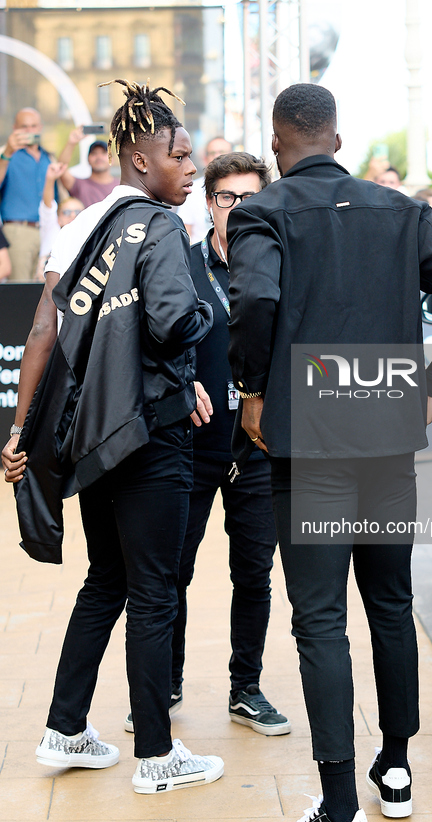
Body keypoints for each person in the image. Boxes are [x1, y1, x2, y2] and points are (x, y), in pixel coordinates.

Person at [226, 83, 432, 822]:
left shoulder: (262, 212)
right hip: (384, 433)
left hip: (308, 442)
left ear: (278, 141)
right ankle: (395, 768)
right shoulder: (398, 210)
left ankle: (341, 812)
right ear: (337, 135)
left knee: (319, 620)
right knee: (390, 603)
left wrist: (253, 389)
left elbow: (256, 299)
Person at [1, 79, 222, 795]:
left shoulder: (82, 227)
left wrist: (19, 430)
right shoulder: (160, 225)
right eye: (178, 156)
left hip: (91, 438)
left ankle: (65, 728)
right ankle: (157, 755)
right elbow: (166, 321)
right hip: (150, 435)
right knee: (154, 590)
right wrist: (201, 329)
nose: (190, 170)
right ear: (138, 160)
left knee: (107, 580)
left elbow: (44, 330)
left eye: (192, 158)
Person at [122, 151, 290, 738]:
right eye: (226, 198)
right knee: (172, 573)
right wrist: (180, 378)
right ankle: (165, 683)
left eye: (251, 199)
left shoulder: (279, 270)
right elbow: (145, 340)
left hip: (258, 451)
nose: (238, 210)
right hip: (188, 446)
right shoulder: (179, 265)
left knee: (255, 574)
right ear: (208, 203)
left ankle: (246, 687)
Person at [0, 108, 56, 280]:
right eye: (24, 126)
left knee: (43, 293)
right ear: (14, 127)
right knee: (21, 291)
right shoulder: (6, 153)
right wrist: (7, 153)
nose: (29, 131)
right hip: (18, 232)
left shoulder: (48, 157)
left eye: (33, 126)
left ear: (40, 127)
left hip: (46, 231)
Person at [177, 136, 232, 243]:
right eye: (212, 153)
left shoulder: (241, 188)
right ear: (205, 159)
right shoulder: (191, 190)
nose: (217, 156)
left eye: (222, 152)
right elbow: (185, 231)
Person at [35, 161, 84, 280]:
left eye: (78, 212)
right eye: (66, 212)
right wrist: (50, 179)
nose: (72, 215)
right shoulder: (52, 229)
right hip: (45, 288)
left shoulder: (88, 238)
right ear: (58, 218)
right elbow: (48, 206)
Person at [58, 129, 120, 207]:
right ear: (87, 159)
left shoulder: (121, 187)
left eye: (103, 153)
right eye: (94, 153)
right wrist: (71, 142)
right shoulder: (79, 185)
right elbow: (61, 168)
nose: (99, 157)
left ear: (112, 159)